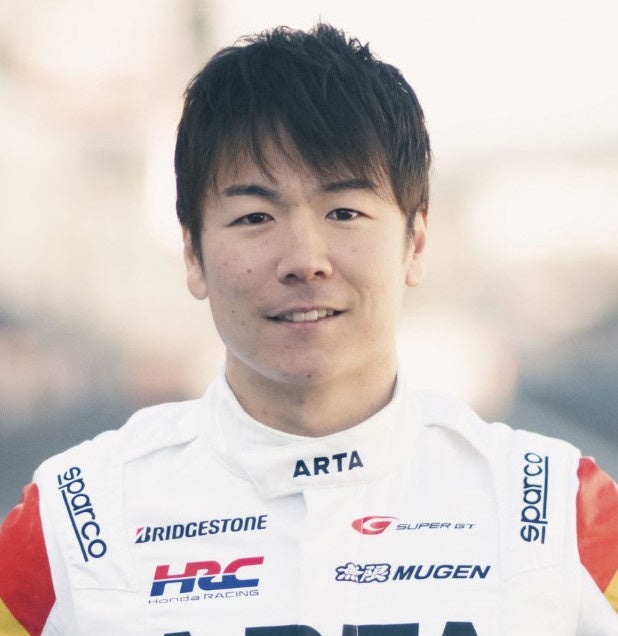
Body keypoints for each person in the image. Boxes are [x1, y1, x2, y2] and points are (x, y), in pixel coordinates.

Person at [0, 23, 617, 636]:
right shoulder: (71, 521)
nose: (304, 259)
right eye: (254, 216)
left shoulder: (561, 511)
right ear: (193, 253)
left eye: (344, 212)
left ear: (416, 241)